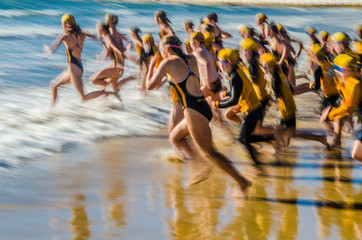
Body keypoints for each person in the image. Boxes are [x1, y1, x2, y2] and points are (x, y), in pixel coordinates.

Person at [146, 35, 251, 197]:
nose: (162, 53)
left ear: (166, 49)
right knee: (175, 137)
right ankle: (200, 166)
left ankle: (242, 182)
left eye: (162, 50)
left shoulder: (167, 63)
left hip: (193, 112)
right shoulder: (191, 58)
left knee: (211, 153)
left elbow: (149, 86)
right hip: (203, 105)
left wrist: (150, 65)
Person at [44, 14, 120, 107]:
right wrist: (103, 43)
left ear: (65, 25)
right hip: (77, 68)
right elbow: (96, 38)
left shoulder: (64, 36)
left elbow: (52, 49)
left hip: (73, 69)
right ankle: (51, 109)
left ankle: (111, 93)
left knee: (83, 97)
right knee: (54, 85)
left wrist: (47, 50)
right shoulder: (82, 34)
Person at [215, 48, 273, 169]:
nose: (218, 64)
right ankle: (271, 139)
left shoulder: (235, 76)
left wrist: (217, 105)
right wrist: (226, 95)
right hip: (252, 108)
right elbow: (238, 91)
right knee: (246, 137)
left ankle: (258, 166)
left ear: (229, 62)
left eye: (220, 61)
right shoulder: (235, 72)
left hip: (252, 109)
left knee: (243, 139)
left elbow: (234, 100)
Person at [260, 53, 330, 150]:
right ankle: (280, 149)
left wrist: (269, 104)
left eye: (263, 66)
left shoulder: (274, 80)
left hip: (286, 110)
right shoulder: (280, 74)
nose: (261, 68)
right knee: (279, 130)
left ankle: (320, 138)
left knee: (292, 133)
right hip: (288, 107)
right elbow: (291, 90)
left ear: (270, 66)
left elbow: (276, 97)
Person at [321, 54, 362, 148]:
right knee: (337, 119)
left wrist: (331, 114)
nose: (334, 70)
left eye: (337, 68)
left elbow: (348, 107)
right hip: (352, 106)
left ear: (347, 70)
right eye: (334, 67)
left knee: (356, 153)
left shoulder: (355, 84)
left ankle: (339, 139)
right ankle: (337, 141)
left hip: (354, 107)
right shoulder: (344, 78)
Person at [90, 23, 135, 98]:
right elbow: (111, 53)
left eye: (97, 30)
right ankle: (118, 104)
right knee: (112, 88)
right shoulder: (109, 37)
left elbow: (114, 51)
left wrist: (102, 54)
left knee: (93, 79)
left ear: (101, 30)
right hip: (117, 68)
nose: (97, 32)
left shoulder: (107, 37)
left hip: (115, 68)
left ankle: (130, 78)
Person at [309, 44, 340, 133]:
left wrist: (311, 85)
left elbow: (316, 87)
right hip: (337, 94)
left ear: (315, 56)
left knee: (322, 118)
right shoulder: (330, 64)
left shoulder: (318, 69)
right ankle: (341, 130)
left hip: (329, 96)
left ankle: (335, 134)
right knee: (326, 115)